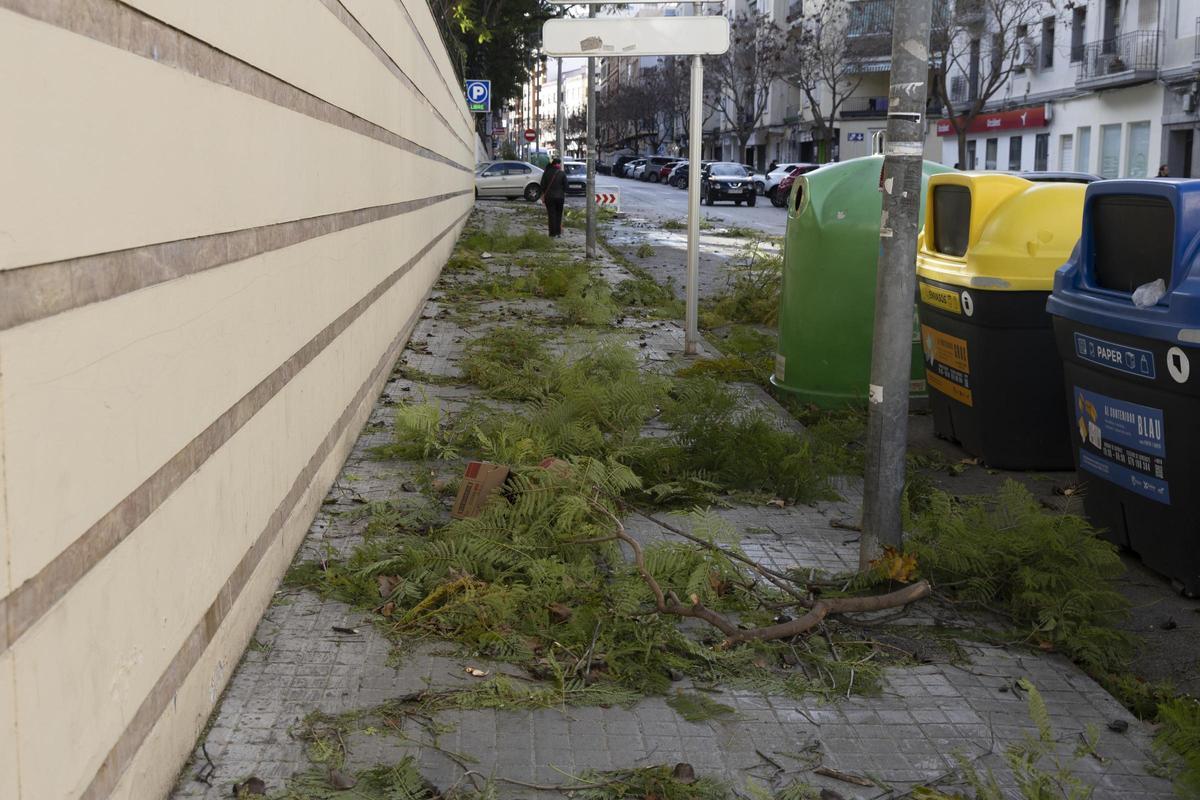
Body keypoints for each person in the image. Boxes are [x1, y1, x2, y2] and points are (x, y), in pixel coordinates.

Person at [540, 158, 566, 237]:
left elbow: (542, 185)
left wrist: (543, 193)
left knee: (551, 215)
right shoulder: (562, 173)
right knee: (559, 215)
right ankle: (558, 232)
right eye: (559, 164)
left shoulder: (546, 173)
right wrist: (561, 191)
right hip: (560, 197)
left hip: (549, 197)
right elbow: (566, 186)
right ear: (558, 164)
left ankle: (552, 233)